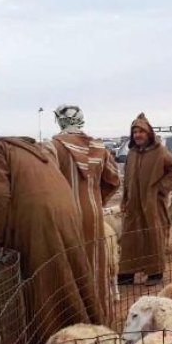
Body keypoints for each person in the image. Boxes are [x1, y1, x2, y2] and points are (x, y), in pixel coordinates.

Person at [0, 135, 104, 344]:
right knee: (71, 272)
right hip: (65, 213)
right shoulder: (32, 151)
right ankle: (92, 332)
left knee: (44, 282)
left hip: (37, 221)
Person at [48, 105, 121, 322]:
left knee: (69, 263)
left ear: (60, 120)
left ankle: (73, 317)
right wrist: (96, 200)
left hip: (65, 214)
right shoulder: (99, 147)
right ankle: (99, 316)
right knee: (95, 263)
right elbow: (113, 180)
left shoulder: (54, 147)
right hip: (93, 214)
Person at [119, 113, 172, 286]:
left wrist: (161, 189)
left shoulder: (160, 151)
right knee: (130, 236)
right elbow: (127, 179)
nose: (138, 135)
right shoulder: (131, 153)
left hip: (152, 203)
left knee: (153, 234)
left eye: (141, 131)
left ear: (149, 134)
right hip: (133, 203)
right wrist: (125, 199)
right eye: (135, 132)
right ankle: (127, 272)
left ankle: (155, 272)